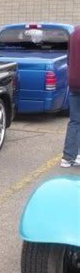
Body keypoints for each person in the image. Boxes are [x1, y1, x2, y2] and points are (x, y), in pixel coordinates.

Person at [61, 26, 80, 167]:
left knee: (75, 121)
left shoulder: (73, 34)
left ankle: (68, 157)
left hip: (74, 82)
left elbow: (69, 59)